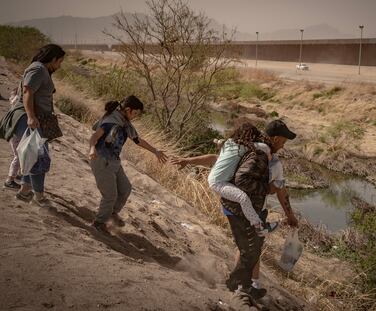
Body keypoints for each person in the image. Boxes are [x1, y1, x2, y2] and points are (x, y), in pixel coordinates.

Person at [171, 119, 298, 300]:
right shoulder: (265, 157)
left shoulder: (244, 146)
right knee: (250, 249)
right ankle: (238, 286)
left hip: (234, 206)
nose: (283, 146)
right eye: (284, 142)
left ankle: (249, 284)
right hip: (243, 208)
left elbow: (216, 159)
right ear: (276, 139)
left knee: (248, 247)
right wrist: (271, 195)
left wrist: (187, 160)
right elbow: (272, 188)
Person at [89, 95, 167, 233]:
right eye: (135, 113)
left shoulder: (125, 123)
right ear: (128, 109)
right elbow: (95, 136)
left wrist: (155, 151)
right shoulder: (111, 121)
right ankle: (98, 223)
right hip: (101, 160)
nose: (136, 116)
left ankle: (112, 213)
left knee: (125, 189)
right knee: (110, 195)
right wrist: (92, 149)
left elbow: (138, 140)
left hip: (114, 161)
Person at [0, 44, 66, 206]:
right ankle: (39, 197)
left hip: (35, 118)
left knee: (33, 157)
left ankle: (24, 192)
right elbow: (27, 91)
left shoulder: (41, 70)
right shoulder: (38, 69)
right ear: (53, 59)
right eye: (60, 61)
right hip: (26, 117)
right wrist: (30, 116)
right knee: (38, 159)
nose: (60, 65)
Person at [206, 123, 276, 235]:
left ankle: (256, 223)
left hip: (215, 178)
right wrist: (269, 154)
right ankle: (258, 226)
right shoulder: (243, 146)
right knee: (243, 198)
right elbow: (264, 148)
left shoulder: (229, 143)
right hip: (218, 183)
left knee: (241, 197)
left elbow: (220, 142)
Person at [3, 88, 21, 189]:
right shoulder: (17, 107)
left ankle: (16, 174)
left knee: (19, 156)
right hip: (15, 134)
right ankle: (9, 180)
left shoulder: (14, 108)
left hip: (13, 134)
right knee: (18, 156)